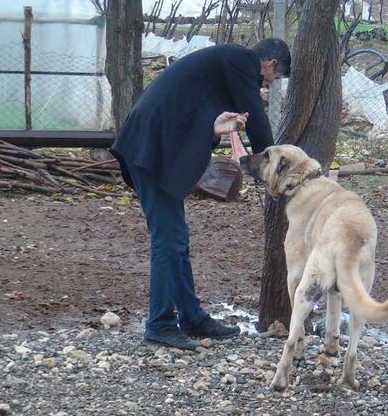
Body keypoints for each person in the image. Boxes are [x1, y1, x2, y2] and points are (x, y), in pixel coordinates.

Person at [110, 38, 291, 350]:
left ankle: (191, 317)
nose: (270, 86)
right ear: (270, 64)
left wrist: (214, 128)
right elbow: (256, 117)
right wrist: (270, 161)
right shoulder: (241, 60)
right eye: (275, 78)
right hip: (149, 146)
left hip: (155, 145)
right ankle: (160, 323)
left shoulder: (222, 69)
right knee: (168, 239)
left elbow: (195, 114)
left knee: (176, 238)